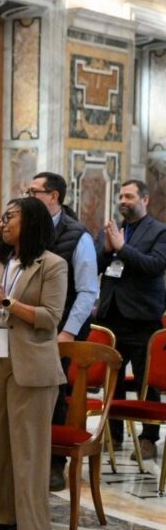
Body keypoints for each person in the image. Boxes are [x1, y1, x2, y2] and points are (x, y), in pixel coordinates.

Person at [0, 197, 68, 530]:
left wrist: (7, 302)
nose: (3, 223)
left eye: (10, 217)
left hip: (32, 363)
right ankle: (1, 514)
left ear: (31, 221)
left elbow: (50, 317)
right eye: (1, 218)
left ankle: (35, 524)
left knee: (28, 447)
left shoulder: (52, 264)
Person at [25, 172, 99, 489]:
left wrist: (68, 332)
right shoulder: (29, 229)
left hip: (62, 329)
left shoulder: (77, 235)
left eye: (34, 191)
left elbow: (87, 291)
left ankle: (55, 463)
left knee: (55, 395)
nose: (29, 196)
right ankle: (28, 456)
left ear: (53, 196)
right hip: (29, 324)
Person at [96, 180, 166, 461]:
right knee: (112, 379)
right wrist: (106, 248)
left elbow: (155, 266)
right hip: (111, 314)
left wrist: (122, 248)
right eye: (121, 196)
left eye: (129, 196)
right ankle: (113, 434)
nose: (123, 200)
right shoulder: (115, 228)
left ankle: (148, 438)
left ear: (145, 200)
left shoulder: (160, 231)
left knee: (144, 379)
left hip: (141, 316)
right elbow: (99, 267)